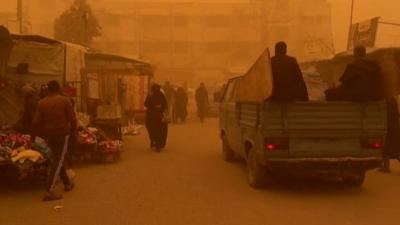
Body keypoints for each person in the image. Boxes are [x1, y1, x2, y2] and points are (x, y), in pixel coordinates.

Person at [33, 81, 76, 201]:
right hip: (62, 134)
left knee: (57, 158)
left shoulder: (41, 103)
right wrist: (73, 133)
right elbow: (72, 119)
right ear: (58, 89)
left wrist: (39, 134)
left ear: (48, 89)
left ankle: (67, 183)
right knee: (58, 160)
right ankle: (49, 190)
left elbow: (36, 121)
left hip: (49, 135)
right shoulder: (64, 100)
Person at [145, 84, 168, 151]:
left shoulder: (150, 95)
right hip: (159, 116)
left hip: (151, 117)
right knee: (160, 131)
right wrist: (159, 107)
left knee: (152, 130)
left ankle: (154, 141)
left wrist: (153, 107)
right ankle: (158, 143)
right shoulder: (161, 95)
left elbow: (146, 104)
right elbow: (165, 104)